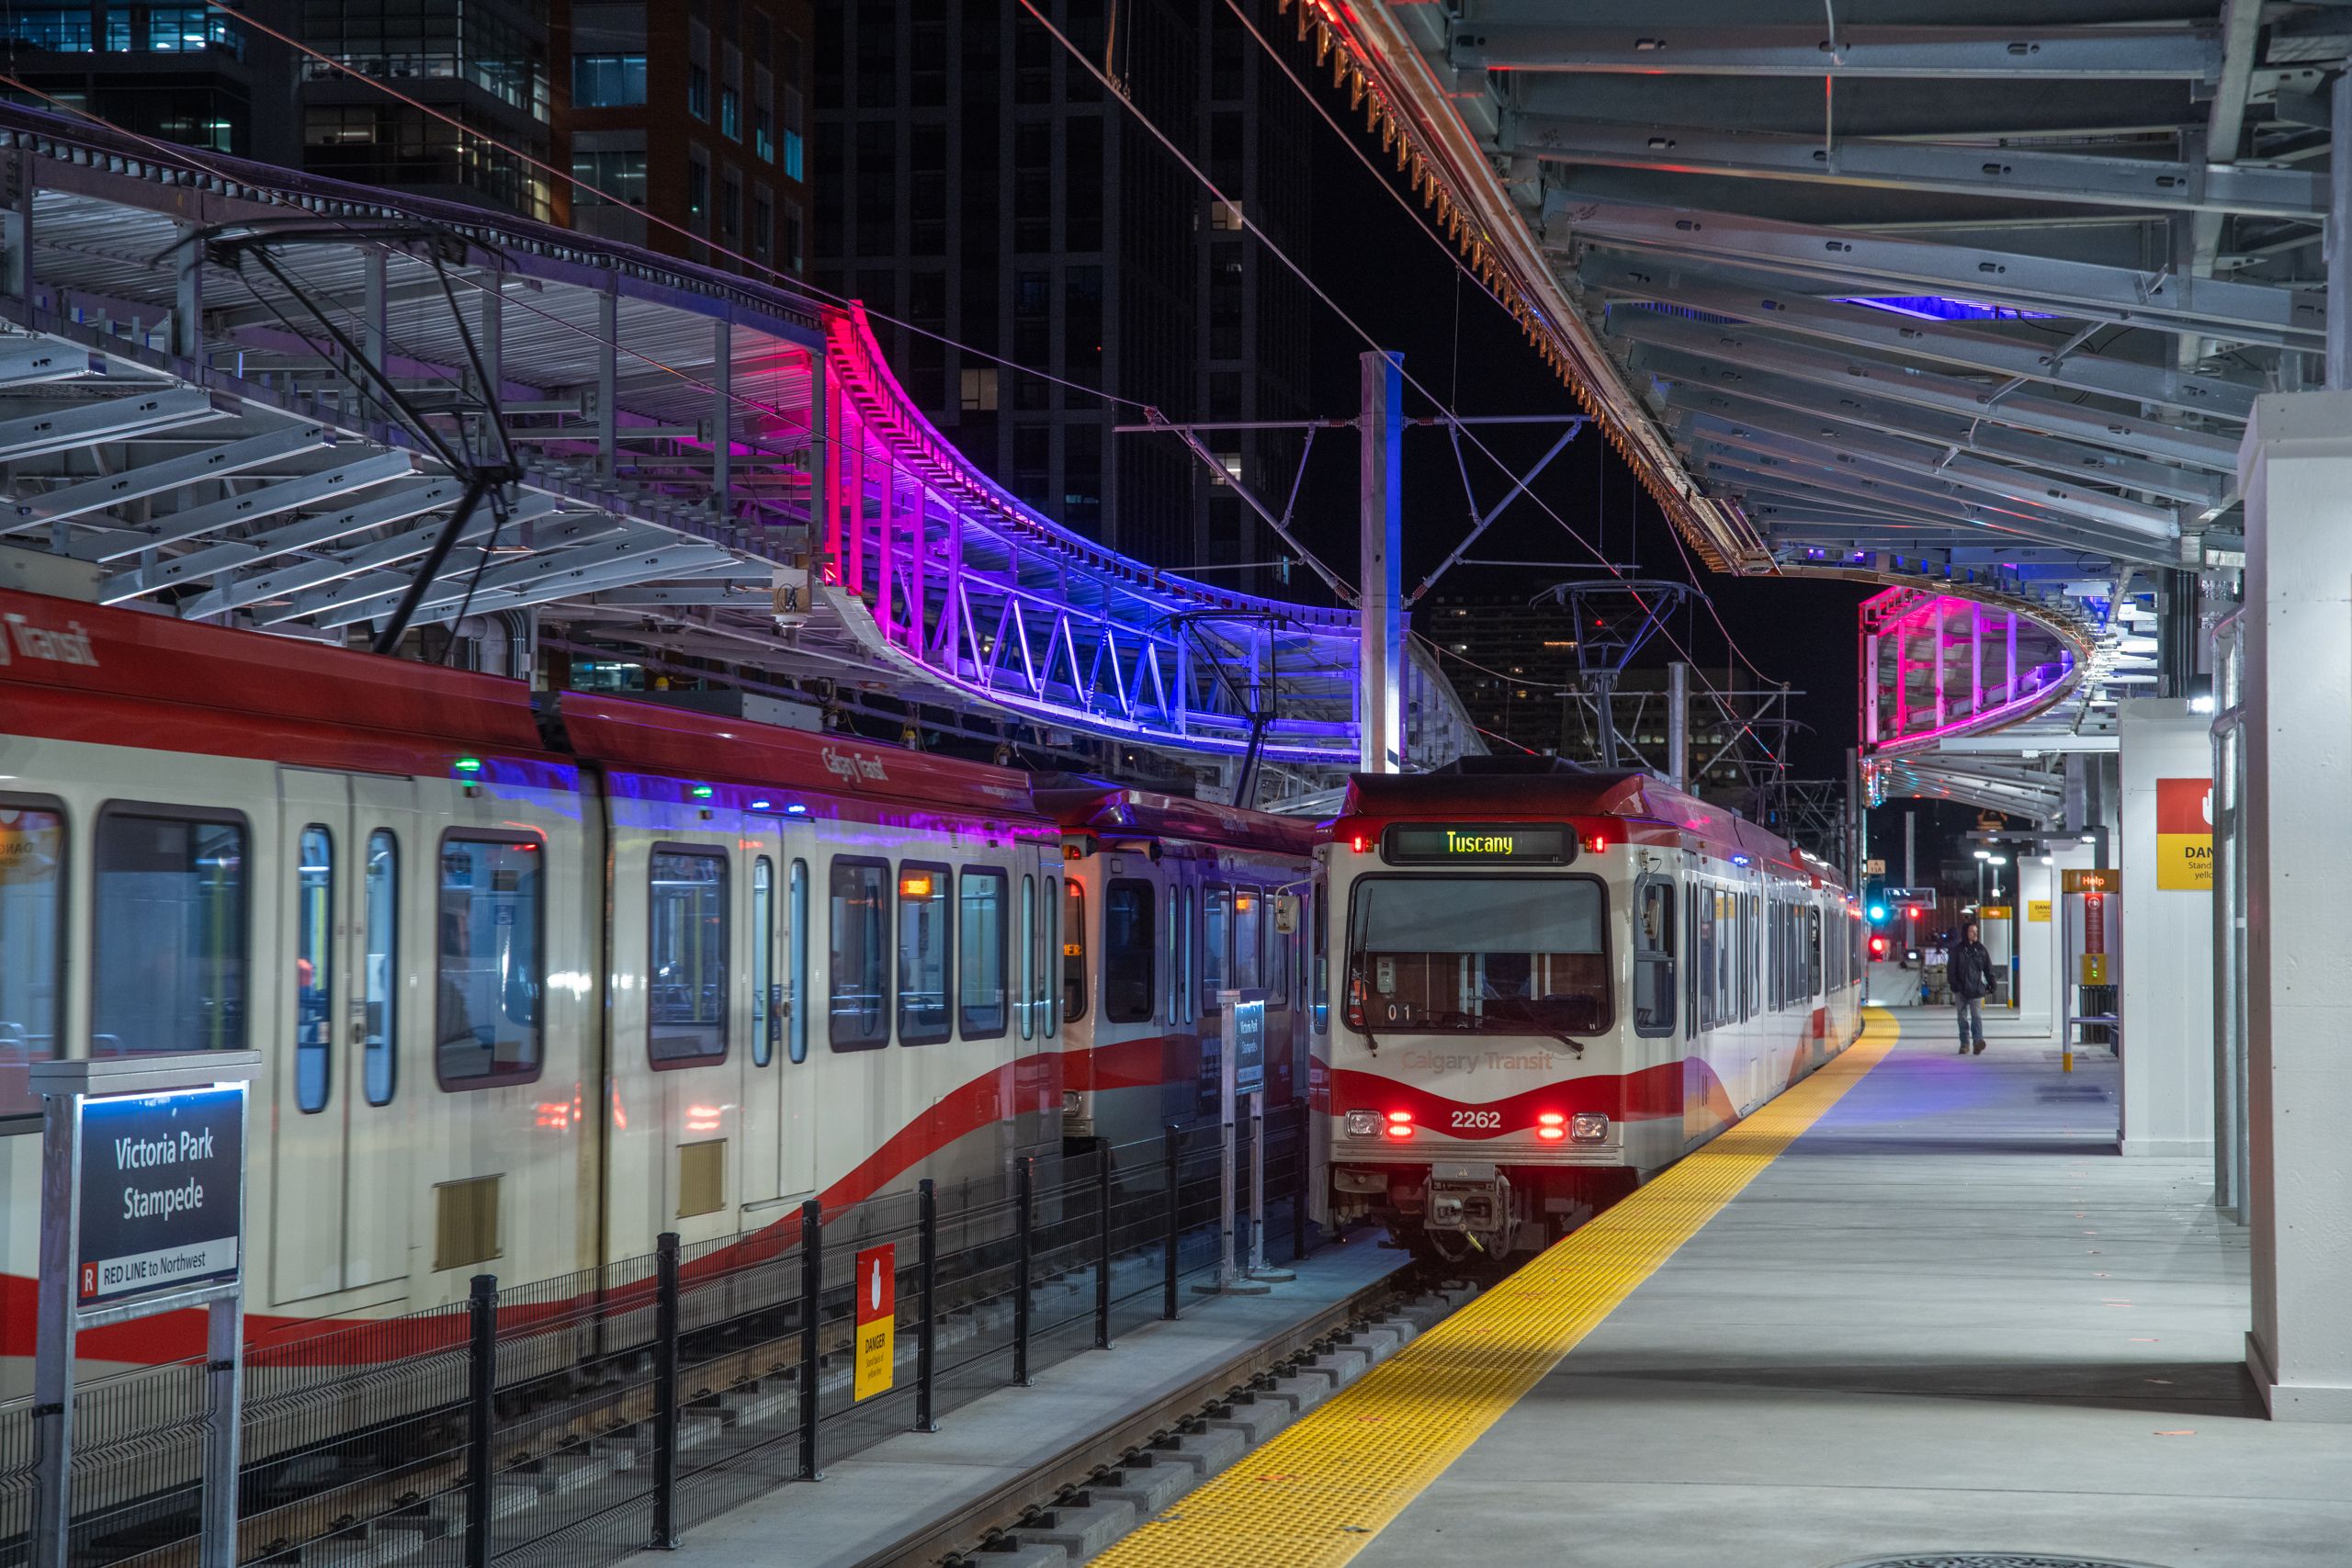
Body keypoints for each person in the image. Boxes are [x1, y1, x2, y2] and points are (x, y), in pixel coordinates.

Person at [1950, 921, 1996, 1055]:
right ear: (1965, 933)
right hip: (1961, 989)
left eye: (1976, 931)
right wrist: (1956, 985)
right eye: (1972, 931)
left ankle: (1977, 1042)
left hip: (1976, 989)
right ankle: (1964, 1043)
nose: (1975, 933)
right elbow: (1951, 970)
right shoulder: (1957, 951)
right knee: (1962, 1017)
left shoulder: (1981, 950)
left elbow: (1988, 968)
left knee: (1977, 1017)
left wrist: (1992, 983)